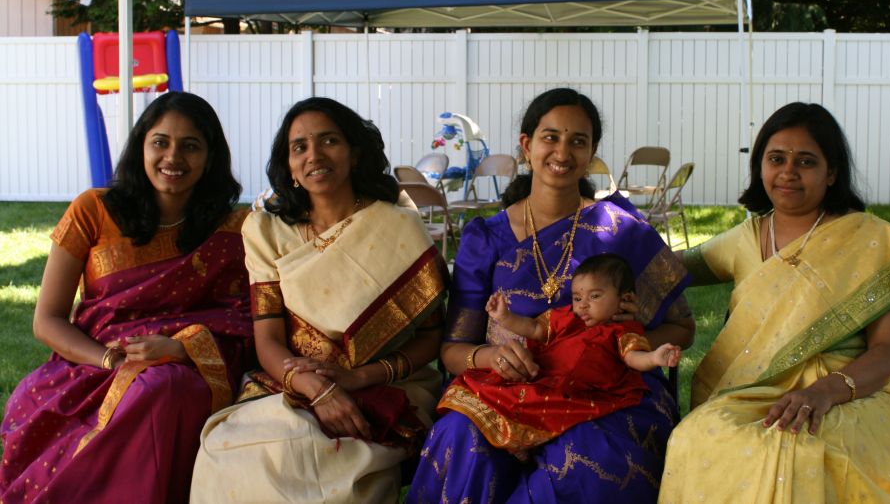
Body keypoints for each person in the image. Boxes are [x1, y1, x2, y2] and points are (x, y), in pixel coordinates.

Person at [658, 102, 890, 503]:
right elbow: (665, 269)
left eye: (805, 161)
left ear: (831, 172)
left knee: (797, 449)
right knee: (697, 434)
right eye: (776, 159)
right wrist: (607, 246)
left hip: (859, 391)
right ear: (760, 166)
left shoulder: (869, 239)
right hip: (759, 392)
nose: (788, 171)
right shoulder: (746, 238)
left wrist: (824, 392)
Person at [409, 87, 695, 503]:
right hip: (506, 388)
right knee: (461, 438)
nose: (563, 151)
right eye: (551, 137)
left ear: (591, 152)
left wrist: (619, 344)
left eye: (578, 141)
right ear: (527, 146)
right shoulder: (485, 238)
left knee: (588, 459)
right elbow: (453, 349)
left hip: (605, 389)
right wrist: (492, 356)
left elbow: (683, 327)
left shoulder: (622, 230)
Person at [190, 97, 448, 504]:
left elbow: (432, 337)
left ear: (354, 153)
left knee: (325, 461)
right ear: (290, 166)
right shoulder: (266, 230)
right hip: (293, 381)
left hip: (385, 384)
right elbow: (268, 338)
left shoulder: (398, 223)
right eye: (300, 147)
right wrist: (316, 389)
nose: (314, 155)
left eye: (329, 140)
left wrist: (359, 379)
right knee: (227, 452)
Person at [0, 91, 254, 504]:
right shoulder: (93, 210)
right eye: (161, 142)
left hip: (184, 368)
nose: (173, 157)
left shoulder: (234, 229)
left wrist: (182, 348)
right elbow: (47, 319)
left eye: (191, 146)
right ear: (141, 147)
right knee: (143, 389)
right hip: (93, 364)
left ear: (211, 158)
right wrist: (112, 361)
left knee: (163, 388)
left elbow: (245, 320)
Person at [439, 253, 682, 454]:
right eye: (577, 297)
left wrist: (654, 358)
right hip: (547, 376)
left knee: (551, 413)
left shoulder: (621, 331)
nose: (583, 304)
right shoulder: (567, 318)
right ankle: (515, 440)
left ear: (624, 299)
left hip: (580, 392)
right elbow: (533, 329)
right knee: (510, 397)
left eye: (595, 296)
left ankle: (523, 442)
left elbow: (632, 357)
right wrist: (504, 317)